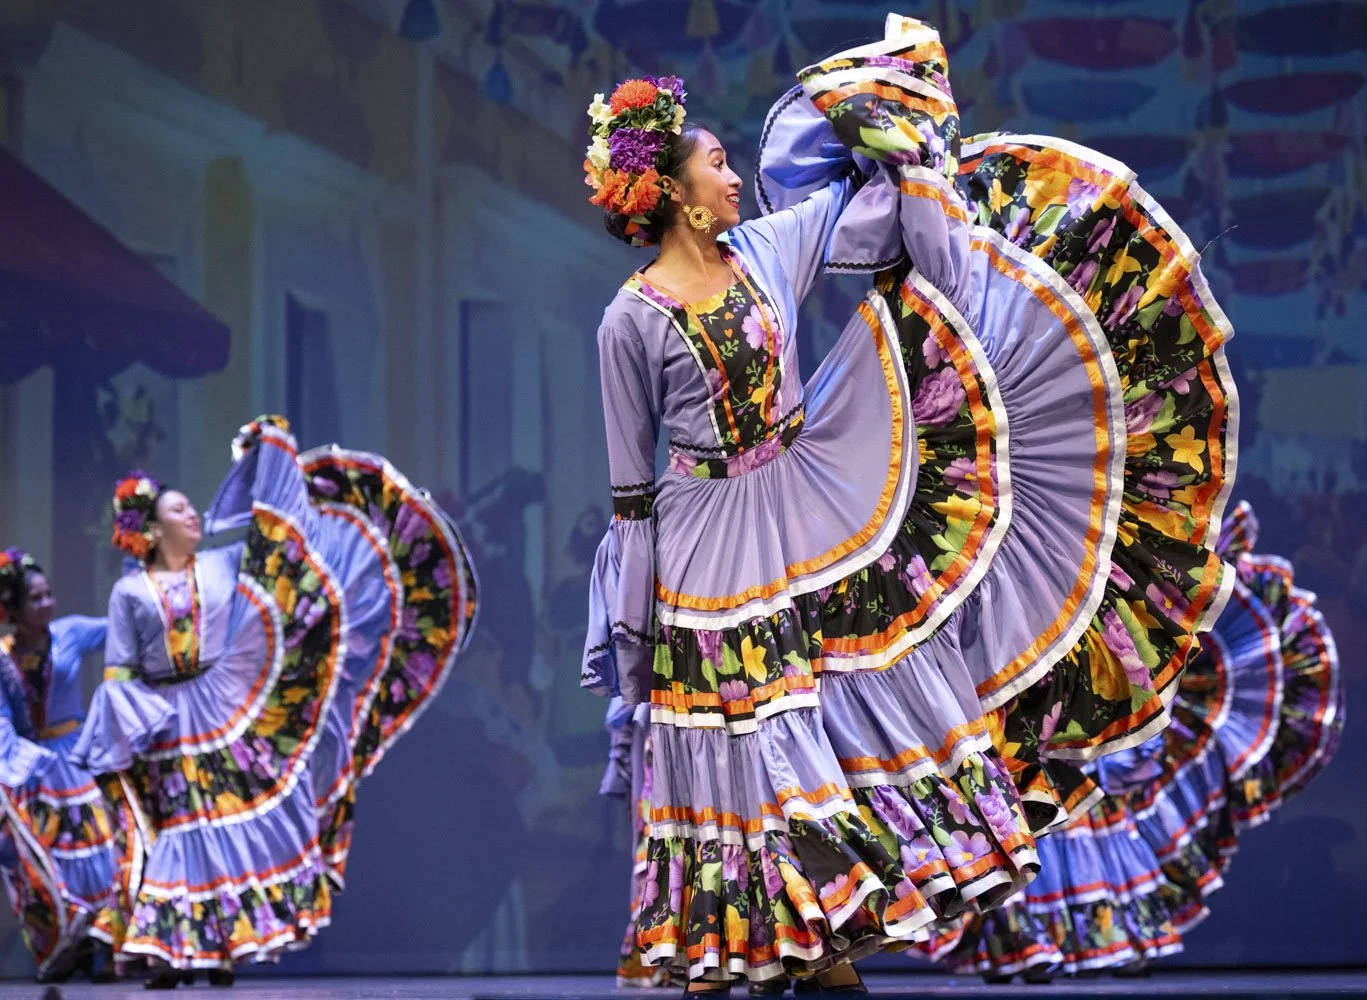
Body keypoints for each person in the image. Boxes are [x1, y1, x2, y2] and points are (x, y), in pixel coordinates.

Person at [579, 14, 1238, 993]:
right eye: (717, 163)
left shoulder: (764, 250)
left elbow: (895, 223)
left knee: (820, 716)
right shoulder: (628, 323)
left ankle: (824, 937)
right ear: (670, 190)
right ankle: (726, 947)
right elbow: (631, 495)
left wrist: (890, 129)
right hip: (696, 550)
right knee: (719, 743)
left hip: (793, 513)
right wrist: (630, 636)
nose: (733, 176)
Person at [72, 416, 477, 985]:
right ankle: (172, 948)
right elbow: (119, 666)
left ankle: (217, 948)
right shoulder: (129, 591)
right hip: (165, 717)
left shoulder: (221, 565)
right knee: (183, 826)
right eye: (178, 511)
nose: (193, 515)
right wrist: (124, 718)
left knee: (223, 825)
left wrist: (273, 451)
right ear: (154, 531)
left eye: (192, 508)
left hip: (227, 704)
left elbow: (281, 547)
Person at [920, 502, 1344, 982]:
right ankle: (1025, 938)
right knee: (1026, 790)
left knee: (1073, 784)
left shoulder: (1082, 518)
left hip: (1075, 643)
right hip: (1011, 643)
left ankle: (1091, 936)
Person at [0, 548, 121, 982]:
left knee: (99, 850)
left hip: (74, 757)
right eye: (35, 599)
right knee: (38, 858)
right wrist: (2, 768)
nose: (47, 604)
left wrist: (138, 573)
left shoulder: (71, 633)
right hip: (30, 765)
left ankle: (104, 946)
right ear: (13, 609)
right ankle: (60, 946)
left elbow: (122, 629)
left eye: (48, 595)